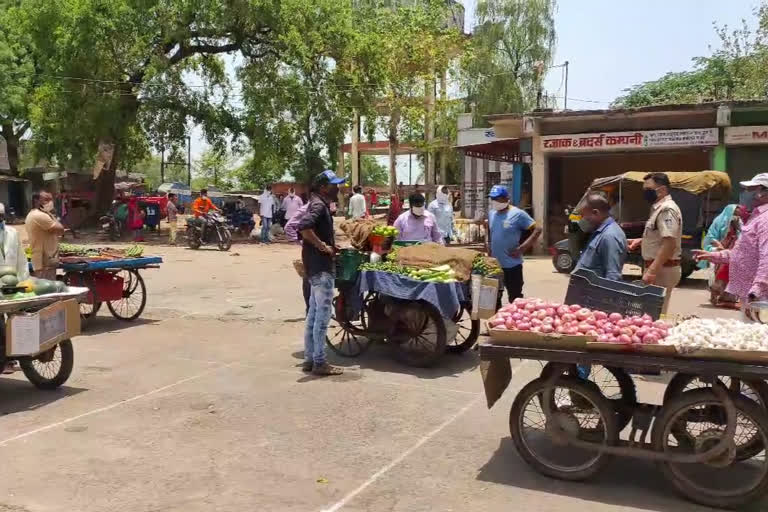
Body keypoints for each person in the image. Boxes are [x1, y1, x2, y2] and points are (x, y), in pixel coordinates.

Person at [694, 173, 768, 321]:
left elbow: (767, 258)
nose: (744, 194)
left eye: (749, 189)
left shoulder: (765, 220)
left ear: (761, 192)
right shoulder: (756, 217)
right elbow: (742, 253)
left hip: (760, 298)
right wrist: (715, 256)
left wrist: (757, 291)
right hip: (750, 296)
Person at [297, 170, 346, 376]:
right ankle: (319, 362)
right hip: (321, 269)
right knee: (322, 316)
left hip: (313, 267)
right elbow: (304, 228)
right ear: (323, 187)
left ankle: (310, 359)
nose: (338, 188)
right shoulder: (318, 205)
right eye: (334, 185)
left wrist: (329, 245)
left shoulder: (318, 203)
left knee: (313, 315)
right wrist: (324, 247)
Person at [628, 173, 683, 314]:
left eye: (648, 189)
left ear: (662, 190)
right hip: (659, 267)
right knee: (649, 312)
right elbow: (660, 235)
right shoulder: (658, 208)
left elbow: (669, 243)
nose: (645, 193)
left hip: (662, 270)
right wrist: (642, 241)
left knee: (654, 313)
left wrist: (652, 271)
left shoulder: (667, 210)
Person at [487, 185, 542, 309]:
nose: (494, 202)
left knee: (515, 299)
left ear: (506, 198)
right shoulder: (492, 214)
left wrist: (523, 248)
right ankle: (498, 324)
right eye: (492, 199)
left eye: (497, 199)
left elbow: (537, 229)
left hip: (512, 265)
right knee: (495, 298)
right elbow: (492, 231)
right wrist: (489, 246)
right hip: (495, 266)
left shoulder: (518, 214)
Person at [573, 192, 627, 281]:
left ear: (595, 212)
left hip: (594, 293)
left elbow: (612, 276)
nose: (582, 220)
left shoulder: (609, 236)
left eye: (584, 216)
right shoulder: (599, 232)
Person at [25, 191, 64, 280]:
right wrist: (50, 214)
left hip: (44, 260)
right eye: (46, 199)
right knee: (47, 288)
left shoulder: (33, 214)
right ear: (36, 201)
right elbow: (61, 229)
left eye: (51, 199)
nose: (50, 202)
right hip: (45, 261)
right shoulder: (40, 216)